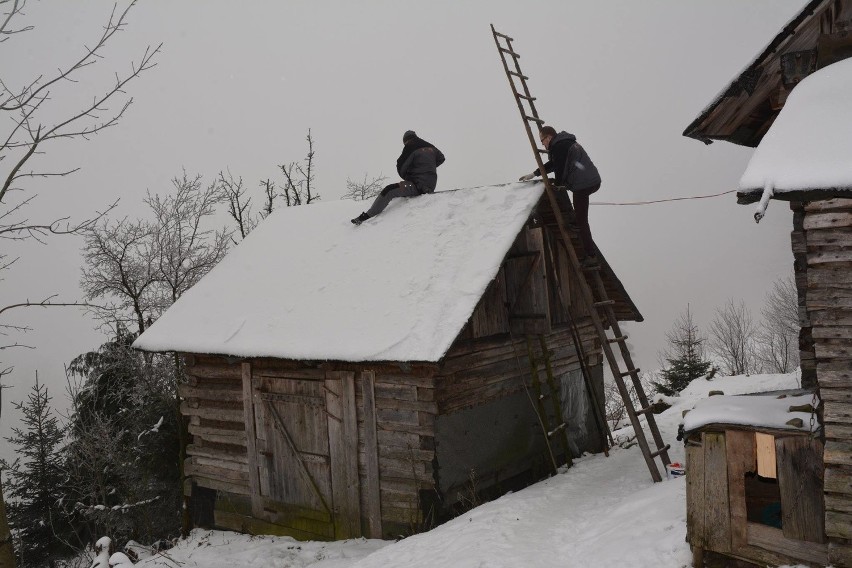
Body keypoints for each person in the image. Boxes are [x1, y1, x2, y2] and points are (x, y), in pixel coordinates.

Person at [519, 126, 600, 263]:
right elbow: (554, 164)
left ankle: (591, 256)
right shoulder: (562, 144)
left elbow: (559, 170)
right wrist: (534, 173)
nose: (543, 144)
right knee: (579, 217)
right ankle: (575, 222)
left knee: (582, 221)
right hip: (590, 181)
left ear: (549, 137)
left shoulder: (558, 147)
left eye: (542, 140)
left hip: (583, 184)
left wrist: (557, 185)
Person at [351, 130, 445, 225]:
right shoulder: (431, 146)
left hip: (417, 185)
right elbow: (441, 158)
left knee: (388, 190)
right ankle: (424, 189)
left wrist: (408, 176)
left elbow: (400, 166)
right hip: (431, 184)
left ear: (406, 140)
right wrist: (427, 167)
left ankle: (367, 215)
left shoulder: (410, 147)